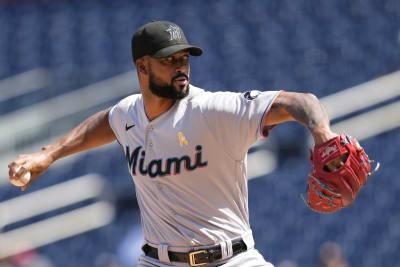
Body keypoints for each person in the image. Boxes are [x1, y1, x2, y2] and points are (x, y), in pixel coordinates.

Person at [8, 21, 346, 267]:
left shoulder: (213, 110)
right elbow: (105, 122)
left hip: (230, 259)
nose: (180, 66)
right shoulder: (129, 113)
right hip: (158, 261)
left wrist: (322, 132)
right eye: (168, 60)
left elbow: (299, 101)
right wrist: (48, 154)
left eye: (183, 58)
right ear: (142, 66)